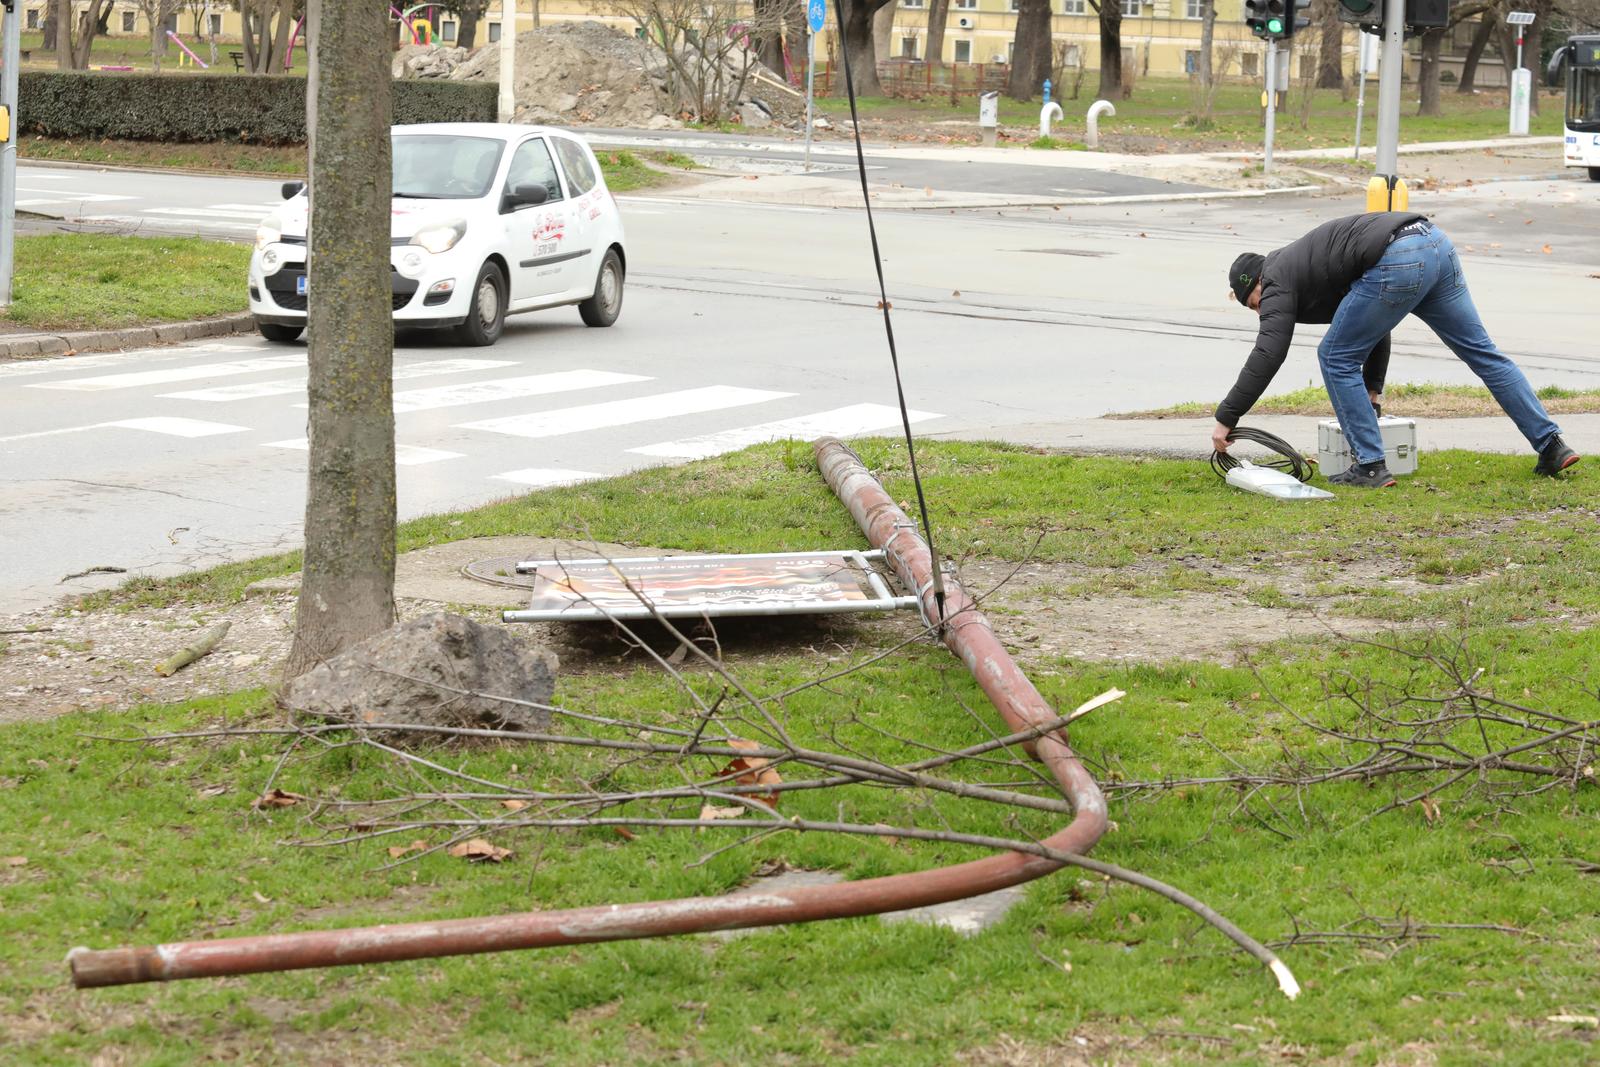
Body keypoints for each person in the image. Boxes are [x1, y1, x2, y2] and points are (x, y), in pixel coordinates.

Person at [1213, 212, 1579, 487]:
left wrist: (1227, 416)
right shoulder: (1306, 268)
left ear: (1255, 283)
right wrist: (1372, 387)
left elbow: (1269, 353)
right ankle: (1551, 445)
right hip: (1434, 243)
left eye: (1254, 304)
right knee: (1483, 353)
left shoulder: (1277, 278)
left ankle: (1370, 465)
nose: (1261, 312)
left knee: (1333, 357)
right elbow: (1373, 320)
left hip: (1397, 257)